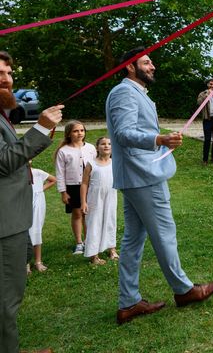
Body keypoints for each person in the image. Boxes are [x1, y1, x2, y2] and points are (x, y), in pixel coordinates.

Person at [106, 47, 213, 325]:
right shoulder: (124, 92)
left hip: (136, 176)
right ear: (129, 68)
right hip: (142, 176)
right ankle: (183, 290)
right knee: (164, 232)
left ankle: (128, 302)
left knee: (133, 240)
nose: (152, 66)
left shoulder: (135, 92)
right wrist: (160, 140)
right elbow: (122, 134)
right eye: (146, 62)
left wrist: (160, 141)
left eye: (151, 61)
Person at [0, 50, 63, 353]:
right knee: (5, 301)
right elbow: (4, 161)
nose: (7, 80)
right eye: (0, 73)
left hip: (13, 218)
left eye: (9, 74)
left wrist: (42, 130)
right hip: (3, 224)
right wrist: (39, 128)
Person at [54, 120, 97, 255]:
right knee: (78, 213)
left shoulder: (90, 148)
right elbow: (60, 173)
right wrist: (63, 192)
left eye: (82, 130)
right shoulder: (63, 151)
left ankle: (89, 240)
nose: (79, 133)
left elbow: (97, 165)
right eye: (75, 131)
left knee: (89, 213)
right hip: (73, 186)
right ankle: (79, 243)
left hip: (91, 185)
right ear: (69, 134)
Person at [80, 137, 118, 265]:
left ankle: (112, 249)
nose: (106, 146)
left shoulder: (115, 162)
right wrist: (83, 202)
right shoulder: (91, 163)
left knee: (110, 221)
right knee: (94, 223)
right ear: (97, 147)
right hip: (95, 198)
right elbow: (84, 183)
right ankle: (93, 255)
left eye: (109, 144)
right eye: (103, 144)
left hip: (111, 197)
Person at [28, 162, 56, 272]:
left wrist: (40, 190)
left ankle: (38, 261)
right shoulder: (16, 175)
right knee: (25, 232)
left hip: (38, 203)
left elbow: (53, 179)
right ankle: (25, 263)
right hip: (23, 203)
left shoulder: (37, 172)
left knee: (36, 230)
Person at [196, 78, 213, 165]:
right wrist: (206, 95)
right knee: (207, 140)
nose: (212, 86)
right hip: (207, 120)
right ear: (207, 85)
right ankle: (205, 159)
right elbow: (199, 103)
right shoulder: (202, 94)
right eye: (210, 84)